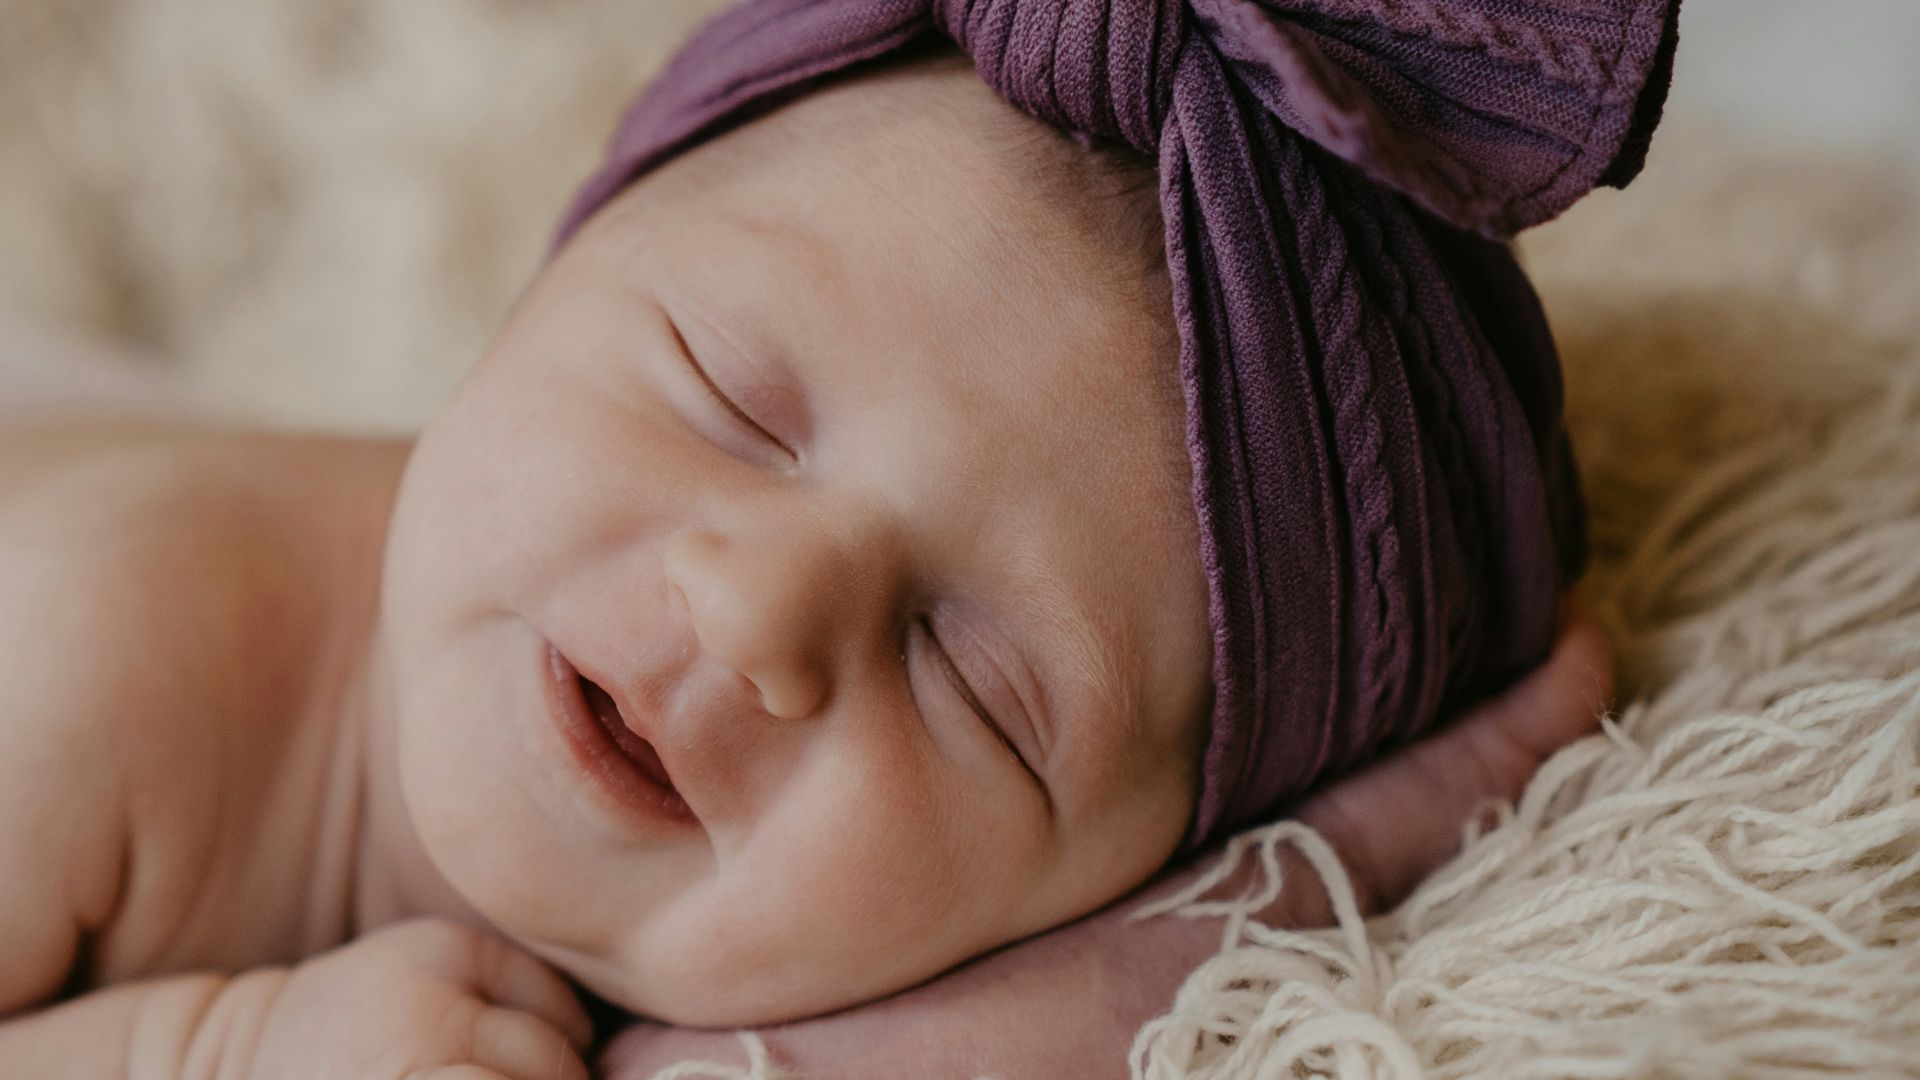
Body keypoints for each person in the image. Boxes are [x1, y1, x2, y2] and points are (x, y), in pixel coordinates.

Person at [0, 1, 1674, 1076]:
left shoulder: (777, 933)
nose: (759, 610)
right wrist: (208, 1051)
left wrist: (1355, 849)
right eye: (722, 395)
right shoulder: (94, 642)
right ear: (561, 261)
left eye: (978, 693)